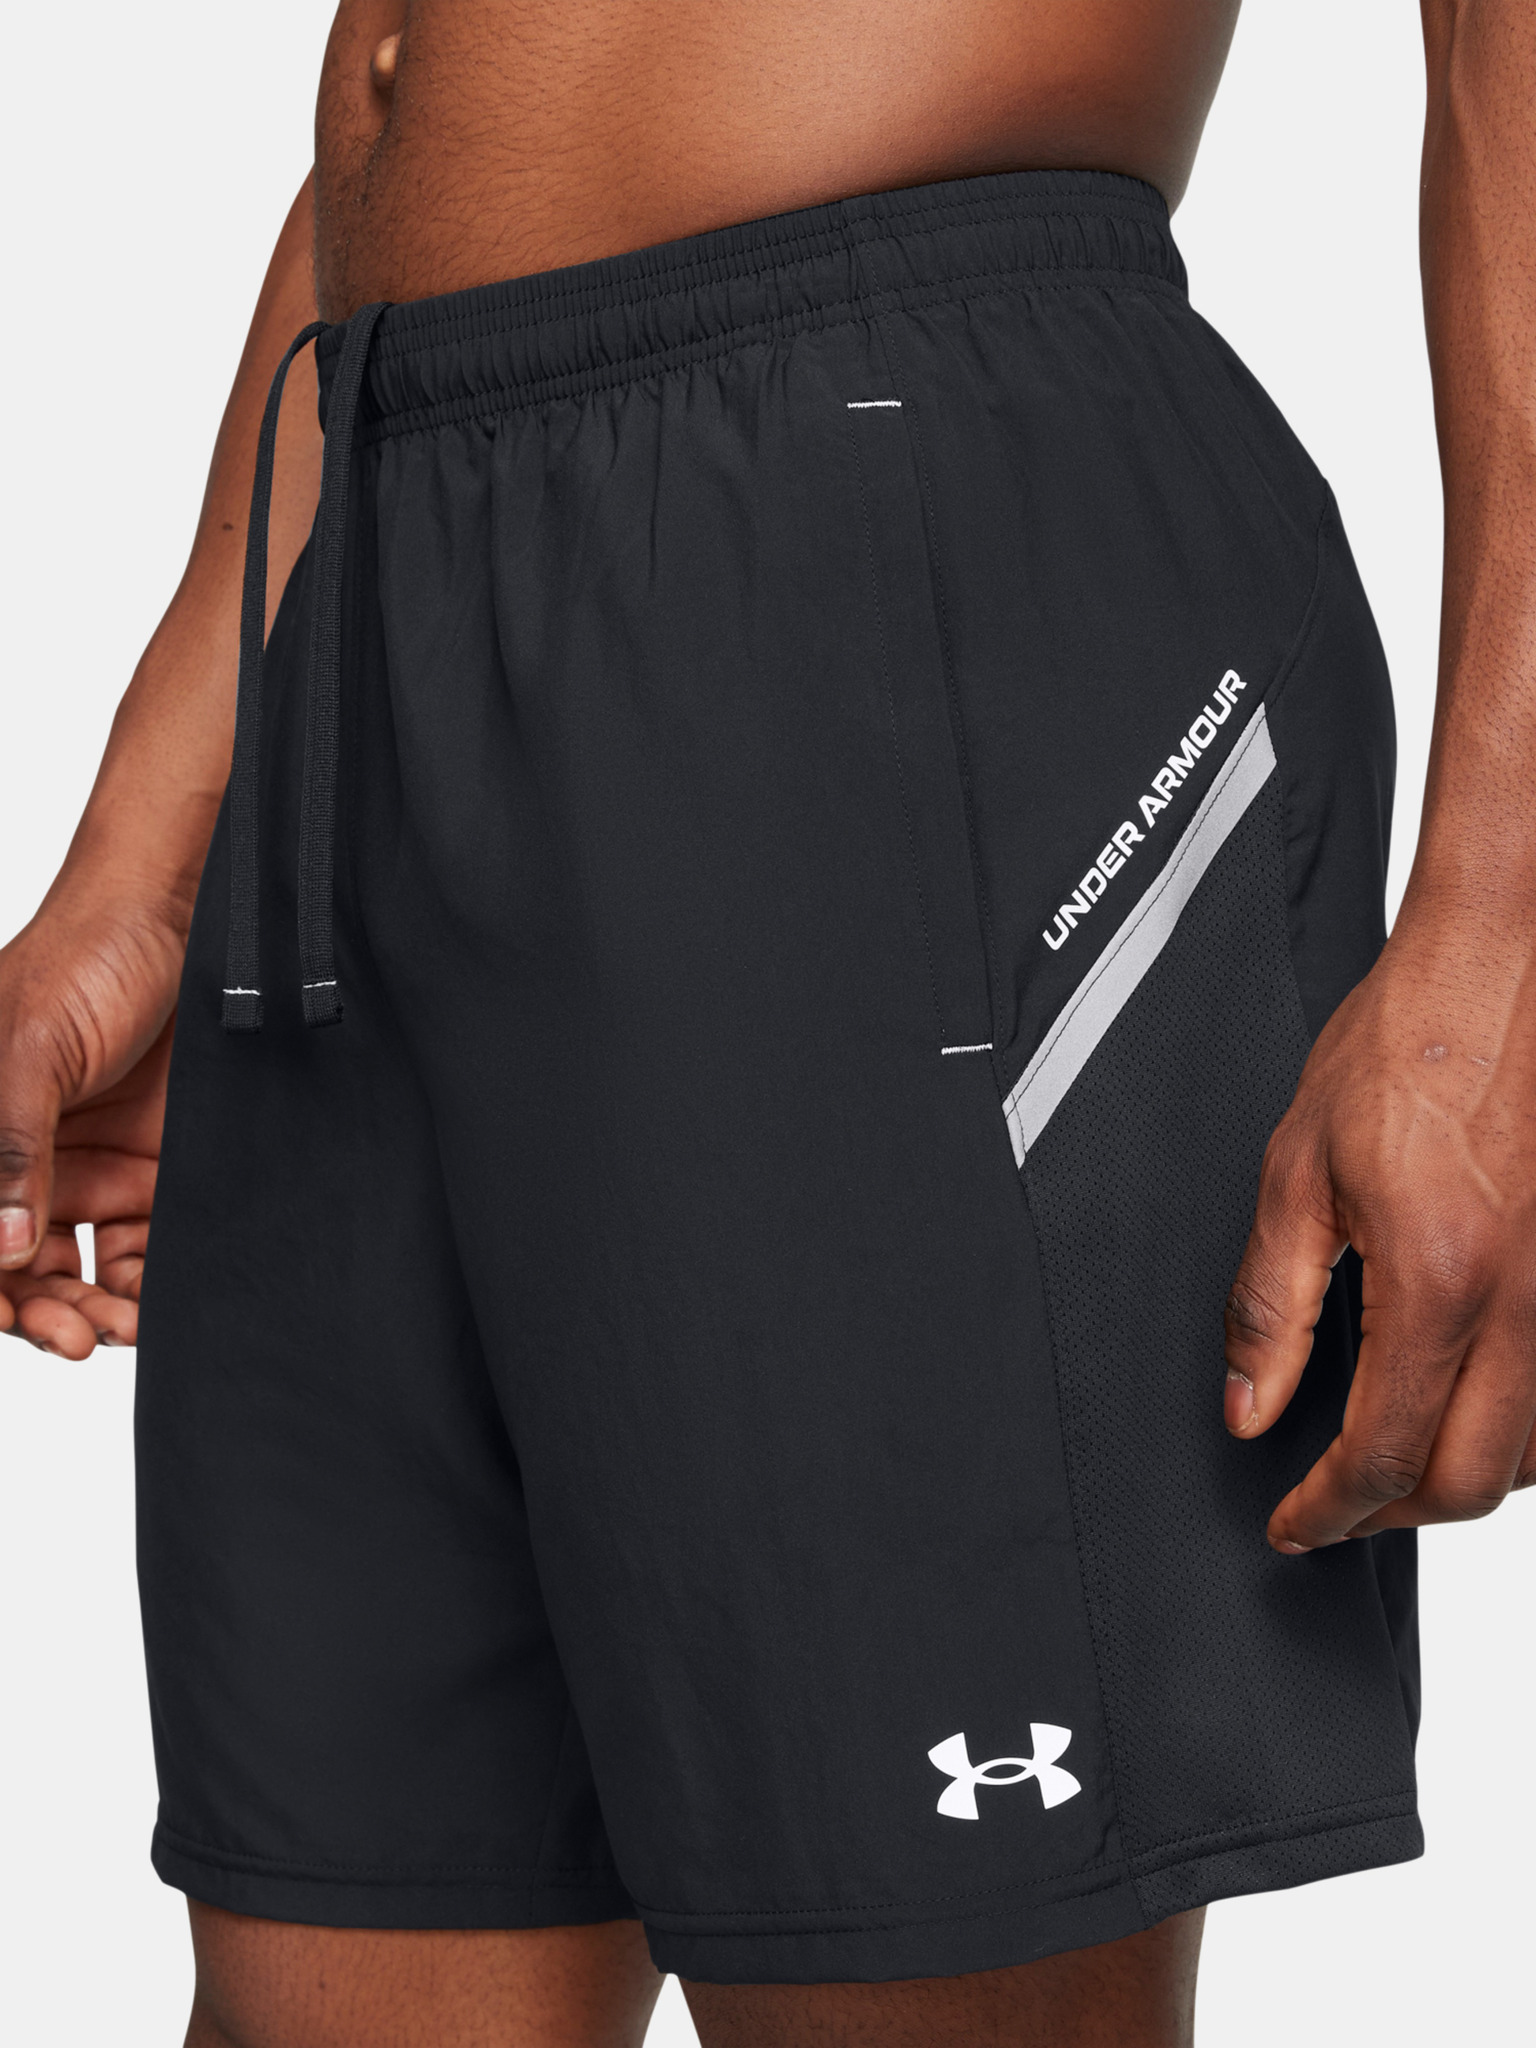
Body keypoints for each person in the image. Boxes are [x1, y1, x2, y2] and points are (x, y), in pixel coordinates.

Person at [3, 1, 1533, 2041]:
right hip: (380, 548)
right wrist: (161, 842)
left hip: (878, 498)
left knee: (926, 1961)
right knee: (321, 1973)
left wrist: (1506, 930)